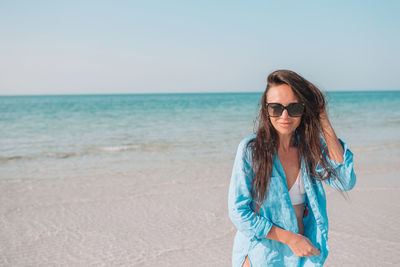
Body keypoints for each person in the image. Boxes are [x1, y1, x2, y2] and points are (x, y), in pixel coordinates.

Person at [228, 69, 356, 267]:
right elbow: (238, 212)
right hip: (263, 254)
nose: (285, 115)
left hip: (301, 255)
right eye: (276, 108)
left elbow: (345, 180)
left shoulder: (311, 148)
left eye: (294, 107)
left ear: (304, 109)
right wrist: (291, 239)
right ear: (266, 110)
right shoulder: (251, 149)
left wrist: (322, 118)